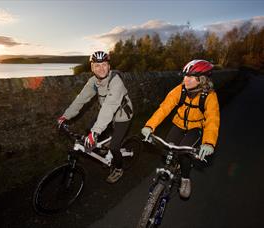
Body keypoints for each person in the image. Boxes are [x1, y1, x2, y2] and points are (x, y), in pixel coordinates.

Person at [141, 59, 220, 198]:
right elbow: (164, 108)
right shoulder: (180, 89)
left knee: (184, 154)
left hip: (195, 128)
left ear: (201, 80)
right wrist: (150, 125)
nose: (185, 80)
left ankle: (185, 178)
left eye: (190, 77)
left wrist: (208, 142)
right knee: (168, 148)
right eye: (185, 76)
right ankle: (166, 174)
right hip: (178, 124)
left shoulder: (210, 96)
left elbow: (212, 120)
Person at [58, 51, 133, 184]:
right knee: (89, 130)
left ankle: (118, 168)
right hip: (106, 112)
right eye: (97, 66)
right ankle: (104, 146)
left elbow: (110, 105)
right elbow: (80, 100)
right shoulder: (93, 82)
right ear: (92, 68)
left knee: (114, 146)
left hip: (122, 115)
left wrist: (96, 131)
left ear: (109, 66)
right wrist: (66, 116)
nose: (101, 68)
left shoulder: (116, 81)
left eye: (104, 64)